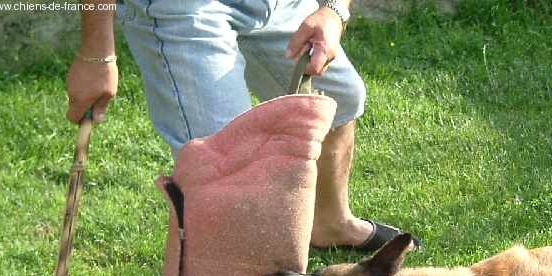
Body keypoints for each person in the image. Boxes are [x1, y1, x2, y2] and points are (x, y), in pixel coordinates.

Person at [66, 0, 420, 251]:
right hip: (183, 10)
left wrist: (333, 9)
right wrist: (97, 53)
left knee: (337, 99)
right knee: (226, 156)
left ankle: (329, 223)